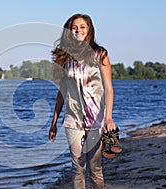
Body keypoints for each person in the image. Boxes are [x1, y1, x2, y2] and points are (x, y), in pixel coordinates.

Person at [48, 13, 116, 189]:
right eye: (74, 28)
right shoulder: (65, 58)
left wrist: (108, 118)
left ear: (89, 30)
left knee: (95, 168)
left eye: (82, 27)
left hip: (97, 119)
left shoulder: (100, 54)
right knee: (78, 168)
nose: (78, 30)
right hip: (72, 120)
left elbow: (108, 89)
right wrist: (54, 122)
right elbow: (62, 92)